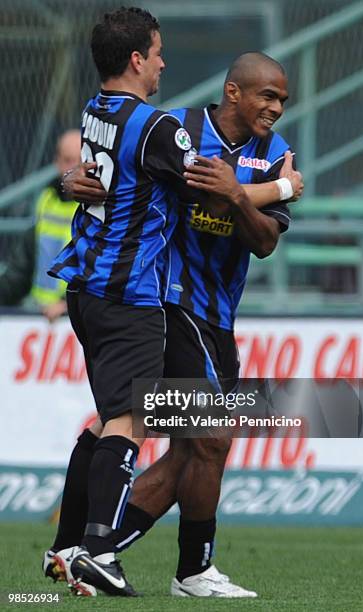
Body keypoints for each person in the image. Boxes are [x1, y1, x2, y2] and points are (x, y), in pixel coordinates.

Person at [45, 38, 303, 598]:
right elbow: (146, 185)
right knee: (208, 435)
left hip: (219, 315)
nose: (276, 110)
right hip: (170, 300)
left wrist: (244, 198)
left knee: (190, 442)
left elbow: (264, 243)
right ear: (233, 92)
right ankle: (181, 567)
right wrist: (271, 189)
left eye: (283, 101)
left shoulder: (275, 148)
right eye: (268, 97)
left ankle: (92, 549)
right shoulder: (179, 129)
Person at [0, 131, 81, 320]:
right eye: (69, 160)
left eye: (81, 159)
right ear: (57, 162)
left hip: (76, 316)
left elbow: (99, 267)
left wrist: (67, 302)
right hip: (43, 318)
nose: (75, 168)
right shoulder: (46, 200)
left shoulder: (100, 207)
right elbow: (21, 270)